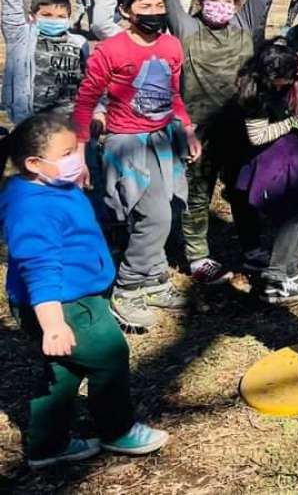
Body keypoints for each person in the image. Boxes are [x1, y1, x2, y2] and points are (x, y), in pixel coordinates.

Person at [0, 114, 169, 469]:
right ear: (34, 163)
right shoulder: (32, 209)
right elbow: (40, 269)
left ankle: (47, 444)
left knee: (63, 370)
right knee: (110, 356)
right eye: (66, 153)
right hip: (64, 303)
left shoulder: (46, 185)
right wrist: (54, 324)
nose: (76, 157)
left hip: (72, 297)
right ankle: (117, 429)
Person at [147, 0, 298, 286]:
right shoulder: (187, 29)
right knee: (196, 194)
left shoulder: (244, 27)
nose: (220, 4)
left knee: (243, 191)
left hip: (241, 128)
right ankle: (198, 255)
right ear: (200, 3)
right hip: (198, 133)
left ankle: (251, 248)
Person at [71, 0, 200, 333]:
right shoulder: (110, 51)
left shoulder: (171, 45)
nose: (155, 12)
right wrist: (80, 154)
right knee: (153, 216)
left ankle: (155, 281)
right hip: (126, 143)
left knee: (169, 209)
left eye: (160, 5)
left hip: (163, 139)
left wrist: (186, 128)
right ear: (126, 11)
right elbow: (85, 102)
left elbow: (173, 95)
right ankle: (128, 288)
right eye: (146, 7)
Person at [234, 39, 298, 303]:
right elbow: (257, 136)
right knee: (291, 215)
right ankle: (276, 277)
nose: (287, 85)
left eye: (291, 78)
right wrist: (292, 123)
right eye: (282, 81)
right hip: (274, 161)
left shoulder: (297, 76)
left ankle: (293, 266)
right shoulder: (255, 92)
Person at [2, 0, 91, 124]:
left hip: (70, 120)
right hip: (31, 120)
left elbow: (87, 79)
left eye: (61, 16)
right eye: (47, 15)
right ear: (32, 16)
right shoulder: (22, 38)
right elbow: (10, 13)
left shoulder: (79, 42)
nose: (54, 20)